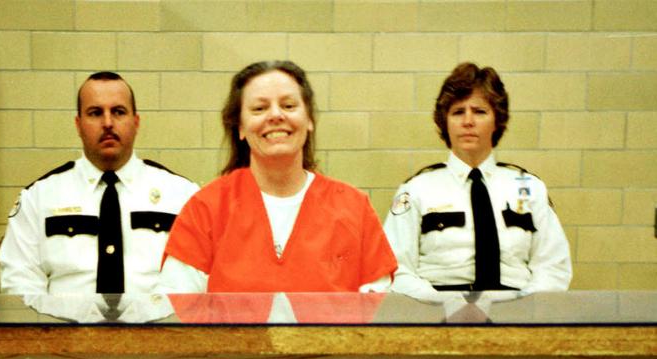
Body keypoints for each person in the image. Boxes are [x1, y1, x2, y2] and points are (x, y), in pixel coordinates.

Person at [159, 60, 397, 295]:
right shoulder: (206, 209)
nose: (275, 115)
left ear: (309, 119)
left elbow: (377, 308)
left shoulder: (354, 208)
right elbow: (178, 306)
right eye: (259, 108)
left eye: (288, 105)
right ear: (240, 127)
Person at [383, 62, 572, 304]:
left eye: (479, 111)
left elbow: (553, 267)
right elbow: (395, 269)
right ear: (445, 121)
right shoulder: (416, 190)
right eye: (458, 112)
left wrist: (520, 307)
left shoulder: (528, 188)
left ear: (497, 120)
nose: (468, 121)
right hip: (437, 312)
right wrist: (445, 305)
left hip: (515, 312)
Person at [0, 71, 199, 296]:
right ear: (78, 124)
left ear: (136, 122)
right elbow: (20, 281)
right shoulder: (38, 198)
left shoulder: (182, 195)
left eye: (118, 112)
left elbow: (193, 279)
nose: (108, 123)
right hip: (63, 319)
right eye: (95, 113)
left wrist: (158, 318)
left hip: (159, 318)